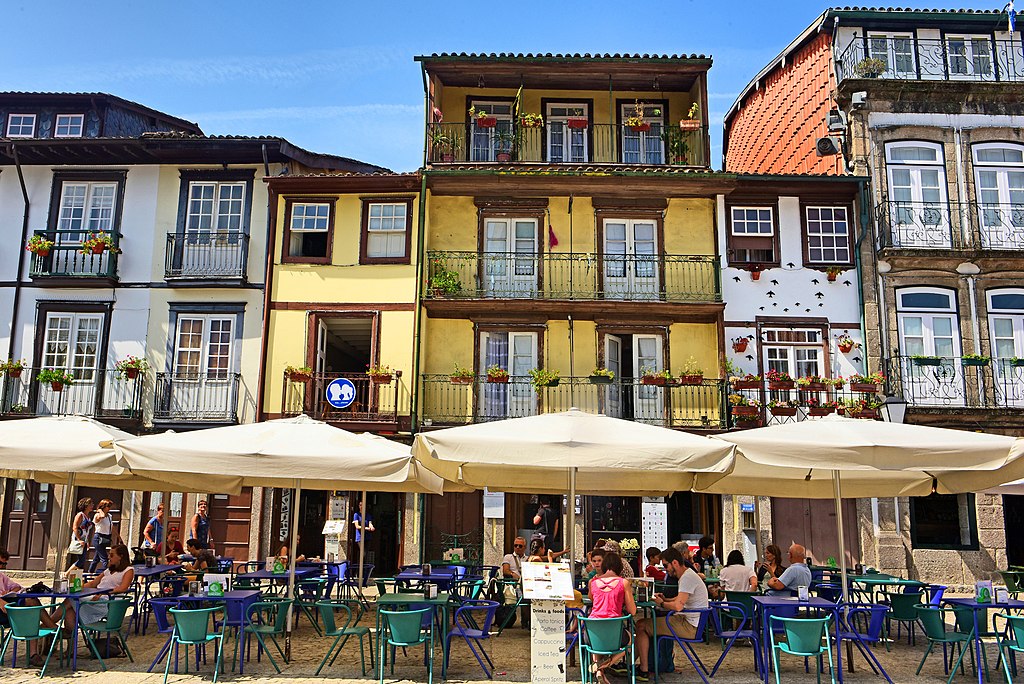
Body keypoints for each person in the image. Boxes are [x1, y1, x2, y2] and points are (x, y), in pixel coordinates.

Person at [636, 546, 709, 678]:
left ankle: (643, 669)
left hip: (690, 627)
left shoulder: (686, 578)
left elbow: (678, 606)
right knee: (644, 624)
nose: (665, 569)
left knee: (641, 625)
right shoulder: (688, 575)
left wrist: (662, 603)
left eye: (666, 565)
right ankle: (636, 664)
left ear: (674, 562)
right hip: (693, 623)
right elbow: (680, 598)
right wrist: (666, 598)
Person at [51, 544, 134, 657]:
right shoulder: (108, 570)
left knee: (69, 601)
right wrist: (78, 586)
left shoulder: (128, 570)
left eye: (112, 555)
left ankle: (48, 624)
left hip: (109, 603)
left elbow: (123, 587)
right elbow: (93, 583)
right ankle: (70, 650)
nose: (109, 557)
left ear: (121, 556)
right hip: (97, 598)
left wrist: (105, 593)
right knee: (70, 612)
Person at [587, 551, 637, 681]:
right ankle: (608, 662)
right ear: (619, 567)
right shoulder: (623, 583)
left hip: (592, 636)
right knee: (632, 640)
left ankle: (598, 671)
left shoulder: (593, 583)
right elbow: (633, 611)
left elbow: (592, 600)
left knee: (597, 638)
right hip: (615, 636)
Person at [0, 547, 51, 666]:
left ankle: (34, 654)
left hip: (8, 608)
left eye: (4, 564)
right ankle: (52, 628)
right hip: (3, 611)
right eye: (0, 563)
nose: (2, 567)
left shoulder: (1, 576)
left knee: (31, 607)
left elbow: (17, 587)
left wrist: (7, 593)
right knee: (30, 606)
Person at [501, 536, 529, 629]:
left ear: (525, 547)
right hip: (513, 585)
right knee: (524, 596)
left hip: (524, 584)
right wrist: (513, 574)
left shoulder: (528, 559)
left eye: (520, 546)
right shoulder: (508, 557)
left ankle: (527, 621)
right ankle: (525, 622)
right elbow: (505, 571)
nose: (517, 547)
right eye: (515, 545)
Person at [88, 499, 115, 573]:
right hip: (98, 538)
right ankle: (106, 574)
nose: (109, 508)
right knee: (104, 559)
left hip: (106, 538)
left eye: (110, 506)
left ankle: (90, 572)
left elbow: (112, 527)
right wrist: (99, 510)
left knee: (96, 559)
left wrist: (118, 537)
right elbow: (102, 516)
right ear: (103, 506)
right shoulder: (97, 515)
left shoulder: (109, 516)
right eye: (108, 506)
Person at [67, 497, 94, 570]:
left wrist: (87, 541)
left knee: (82, 561)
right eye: (90, 504)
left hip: (84, 540)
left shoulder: (88, 517)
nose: (92, 505)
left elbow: (87, 530)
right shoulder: (80, 515)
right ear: (86, 505)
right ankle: (66, 574)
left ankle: (78, 579)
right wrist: (79, 539)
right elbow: (75, 527)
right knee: (81, 560)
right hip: (78, 539)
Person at [350, 500, 374, 564]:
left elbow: (370, 523)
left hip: (367, 537)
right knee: (363, 553)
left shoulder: (368, 515)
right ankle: (359, 569)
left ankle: (364, 570)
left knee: (366, 554)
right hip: (360, 537)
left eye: (363, 505)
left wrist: (371, 527)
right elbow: (357, 526)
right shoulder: (356, 515)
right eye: (360, 505)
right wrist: (366, 528)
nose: (361, 507)